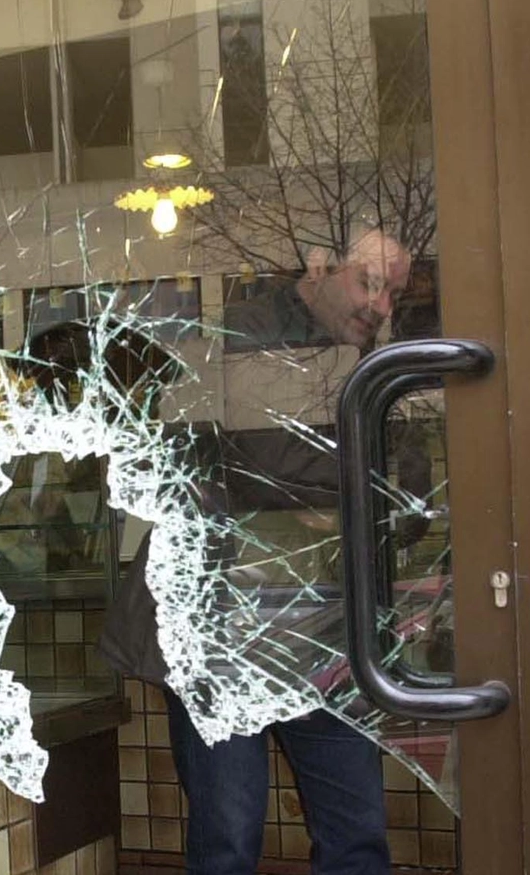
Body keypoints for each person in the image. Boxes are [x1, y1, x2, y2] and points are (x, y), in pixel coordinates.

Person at [100, 226, 416, 875]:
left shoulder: (375, 356)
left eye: (395, 293)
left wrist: (344, 503)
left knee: (357, 837)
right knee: (228, 840)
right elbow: (263, 463)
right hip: (219, 632)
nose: (382, 306)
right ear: (322, 265)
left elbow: (411, 489)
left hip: (329, 631)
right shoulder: (246, 330)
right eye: (372, 282)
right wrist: (362, 490)